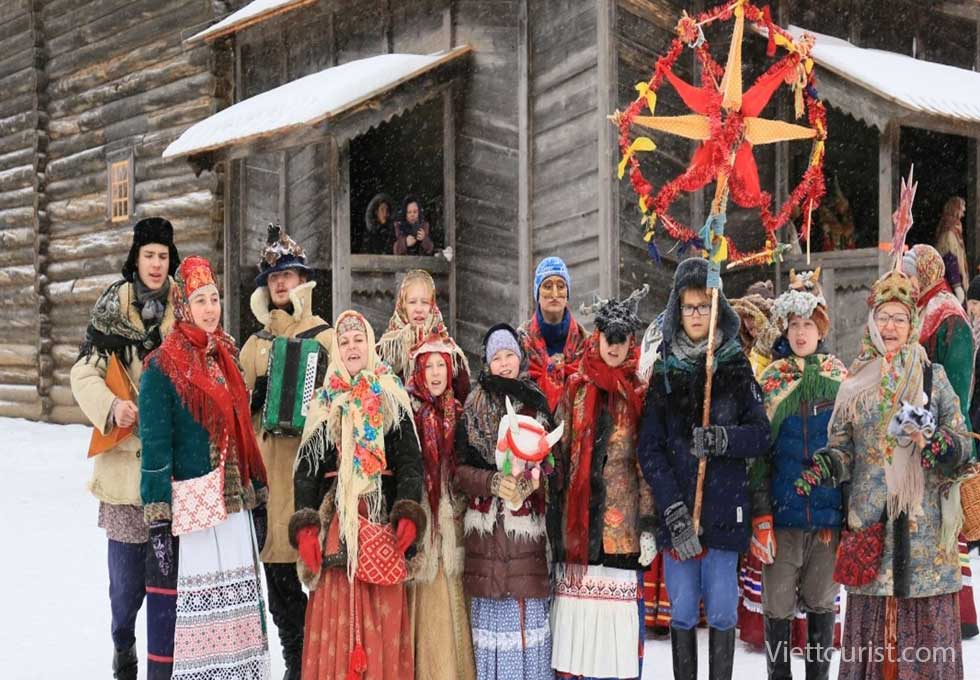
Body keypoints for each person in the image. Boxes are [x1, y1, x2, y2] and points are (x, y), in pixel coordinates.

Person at [810, 268, 970, 680]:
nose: (890, 326)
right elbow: (842, 447)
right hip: (872, 528)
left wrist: (936, 443)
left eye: (899, 317)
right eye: (883, 317)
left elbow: (963, 443)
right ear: (871, 322)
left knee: (924, 642)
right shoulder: (853, 382)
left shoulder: (933, 377)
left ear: (912, 323)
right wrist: (829, 464)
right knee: (875, 642)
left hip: (924, 532)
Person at [637, 257, 770, 680]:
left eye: (703, 306)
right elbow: (649, 448)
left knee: (722, 610)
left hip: (724, 513)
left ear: (716, 310)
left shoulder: (734, 365)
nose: (696, 315)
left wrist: (723, 439)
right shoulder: (665, 371)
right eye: (688, 307)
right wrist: (673, 509)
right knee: (681, 611)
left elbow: (761, 434)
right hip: (679, 515)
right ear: (677, 309)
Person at [139, 255, 271, 680]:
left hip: (234, 514)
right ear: (183, 305)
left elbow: (245, 432)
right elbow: (155, 448)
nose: (210, 308)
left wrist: (258, 495)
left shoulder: (226, 355)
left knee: (238, 630)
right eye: (200, 300)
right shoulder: (162, 366)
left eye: (214, 298)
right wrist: (159, 521)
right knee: (202, 635)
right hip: (196, 520)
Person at [70, 216, 180, 680]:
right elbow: (83, 372)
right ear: (136, 258)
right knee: (125, 586)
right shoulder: (111, 309)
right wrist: (113, 406)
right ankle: (123, 642)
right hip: (123, 475)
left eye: (162, 256)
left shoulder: (185, 308)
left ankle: (163, 665)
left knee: (167, 582)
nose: (155, 264)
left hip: (171, 474)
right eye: (148, 255)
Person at [289, 310, 425, 680]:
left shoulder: (391, 395)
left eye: (358, 340)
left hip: (380, 519)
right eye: (344, 341)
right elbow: (307, 472)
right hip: (337, 524)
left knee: (381, 617)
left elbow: (410, 462)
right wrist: (306, 525)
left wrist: (408, 511)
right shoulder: (324, 402)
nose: (352, 348)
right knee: (336, 619)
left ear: (370, 344)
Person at [240, 225, 333, 679]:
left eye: (288, 274)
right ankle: (295, 667)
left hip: (315, 479)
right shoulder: (254, 345)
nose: (280, 283)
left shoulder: (327, 338)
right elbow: (234, 412)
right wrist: (253, 399)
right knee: (283, 598)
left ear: (303, 280)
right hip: (270, 483)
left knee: (323, 589)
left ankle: (319, 667)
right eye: (273, 277)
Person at [550, 286, 657, 680]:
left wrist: (649, 523)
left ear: (630, 342)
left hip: (620, 532)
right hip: (577, 531)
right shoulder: (575, 389)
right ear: (596, 337)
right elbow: (559, 453)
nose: (613, 346)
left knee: (616, 647)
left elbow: (647, 464)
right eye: (608, 337)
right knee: (578, 643)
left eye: (621, 338)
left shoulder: (639, 394)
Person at [750, 270, 847, 680]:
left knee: (822, 603)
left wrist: (848, 508)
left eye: (808, 324)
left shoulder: (839, 379)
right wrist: (761, 514)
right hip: (782, 517)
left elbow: (850, 446)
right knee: (777, 607)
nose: (801, 333)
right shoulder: (771, 380)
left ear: (821, 329)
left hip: (826, 519)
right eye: (794, 325)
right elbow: (758, 457)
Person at [456, 324, 555, 680]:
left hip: (525, 534)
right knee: (494, 622)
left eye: (509, 354)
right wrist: (492, 482)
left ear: (520, 358)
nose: (503, 363)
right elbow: (459, 472)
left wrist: (533, 482)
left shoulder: (536, 403)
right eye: (496, 357)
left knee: (525, 617)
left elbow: (553, 465)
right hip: (487, 532)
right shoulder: (473, 406)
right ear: (487, 363)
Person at [902, 244, 978, 641]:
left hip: (942, 435)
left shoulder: (948, 317)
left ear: (928, 272)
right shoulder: (918, 312)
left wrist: (944, 433)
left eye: (911, 274)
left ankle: (956, 613)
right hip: (912, 431)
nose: (907, 282)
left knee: (947, 524)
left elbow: (958, 387)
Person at [406, 341, 477, 680]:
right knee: (425, 603)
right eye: (429, 367)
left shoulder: (460, 413)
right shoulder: (409, 413)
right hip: (423, 519)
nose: (435, 374)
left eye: (441, 366)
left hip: (453, 518)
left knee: (455, 601)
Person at [377, 269, 470, 400]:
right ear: (403, 305)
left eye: (425, 302)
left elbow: (461, 393)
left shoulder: (448, 350)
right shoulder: (387, 348)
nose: (419, 309)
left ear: (432, 306)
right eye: (412, 302)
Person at [517, 257, 587, 412]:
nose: (555, 294)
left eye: (561, 286)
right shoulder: (520, 342)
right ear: (537, 292)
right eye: (547, 286)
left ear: (567, 293)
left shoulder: (585, 342)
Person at [935, 197, 968, 302]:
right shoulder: (949, 234)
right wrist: (957, 285)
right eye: (962, 210)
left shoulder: (952, 232)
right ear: (956, 210)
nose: (963, 214)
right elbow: (950, 259)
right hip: (950, 286)